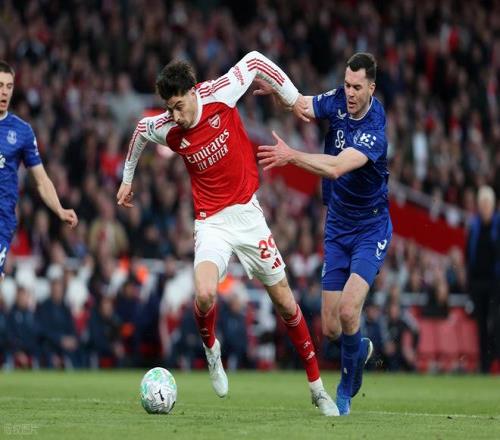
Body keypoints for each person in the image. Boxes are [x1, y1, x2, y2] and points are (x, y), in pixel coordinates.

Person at [116, 51, 339, 416]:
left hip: (248, 215)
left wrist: (293, 97)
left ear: (192, 92)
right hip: (211, 223)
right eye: (169, 109)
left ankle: (317, 389)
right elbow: (141, 131)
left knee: (286, 302)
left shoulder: (220, 93)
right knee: (205, 294)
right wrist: (127, 180)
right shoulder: (169, 127)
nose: (174, 116)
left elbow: (254, 61)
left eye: (177, 106)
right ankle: (211, 351)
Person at [256, 53, 392, 414]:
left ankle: (345, 391)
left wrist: (291, 156)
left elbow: (335, 168)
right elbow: (302, 104)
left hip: (370, 227)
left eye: (357, 87)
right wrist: (277, 89)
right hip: (337, 225)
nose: (350, 93)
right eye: (347, 85)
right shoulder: (337, 101)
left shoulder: (375, 130)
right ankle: (359, 350)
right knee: (331, 328)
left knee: (348, 311)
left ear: (371, 88)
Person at [0, 61, 78, 280]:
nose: (4, 91)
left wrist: (59, 209)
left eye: (9, 86)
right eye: (0, 85)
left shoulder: (22, 131)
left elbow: (41, 180)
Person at [466, 185, 500, 373]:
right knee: (481, 325)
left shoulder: (498, 225)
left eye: (487, 203)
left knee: (494, 322)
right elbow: (468, 255)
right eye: (482, 203)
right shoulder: (474, 227)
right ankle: (484, 365)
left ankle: (494, 358)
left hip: (495, 283)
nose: (485, 207)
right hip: (478, 282)